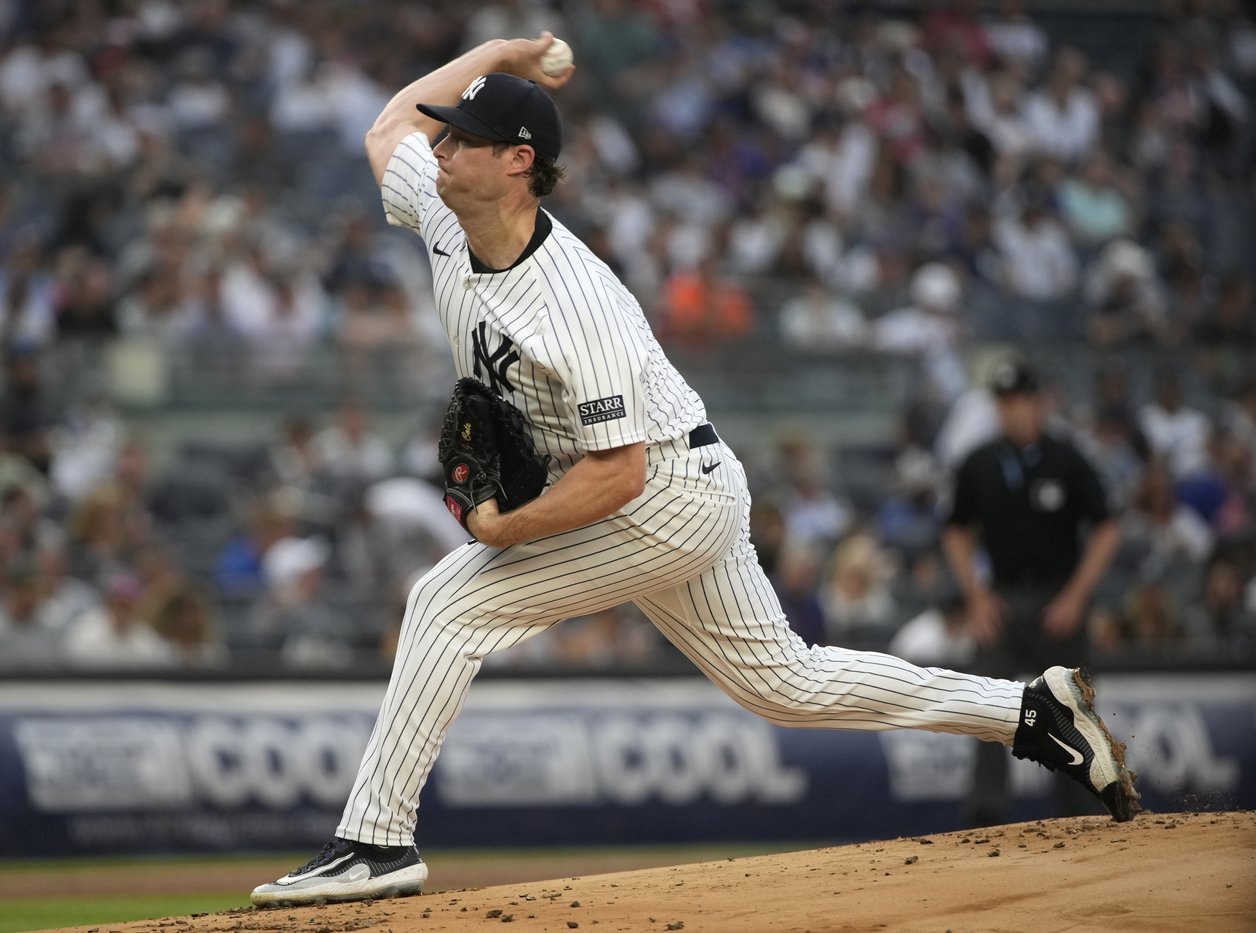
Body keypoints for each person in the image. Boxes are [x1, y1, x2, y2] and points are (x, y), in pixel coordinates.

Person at [249, 35, 1139, 909]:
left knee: (448, 601)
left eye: (463, 141)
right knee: (785, 685)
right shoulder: (448, 213)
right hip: (679, 478)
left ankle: (376, 840)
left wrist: (501, 530)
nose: (438, 151)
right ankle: (1031, 710)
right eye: (445, 139)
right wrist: (499, 52)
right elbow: (384, 130)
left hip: (663, 491)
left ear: (518, 162)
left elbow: (618, 476)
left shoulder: (575, 302)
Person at [942, 357, 1121, 827]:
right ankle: (986, 817)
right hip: (1000, 601)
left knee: (1071, 711)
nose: (1011, 410)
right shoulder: (979, 462)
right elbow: (956, 531)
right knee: (984, 704)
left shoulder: (1067, 458)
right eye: (1003, 401)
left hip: (1058, 599)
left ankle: (1082, 815)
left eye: (1019, 400)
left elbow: (1106, 529)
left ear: (1039, 403)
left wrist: (1076, 597)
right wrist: (976, 597)